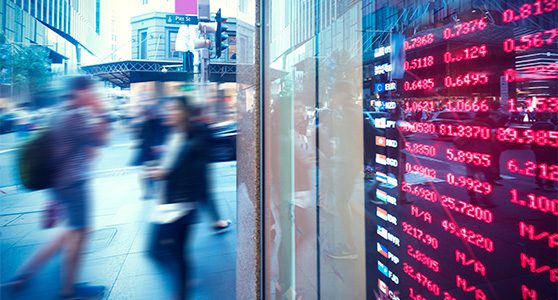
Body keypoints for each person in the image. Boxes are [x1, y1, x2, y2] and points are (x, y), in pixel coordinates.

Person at [3, 76, 109, 299]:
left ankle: (24, 274)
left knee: (70, 232)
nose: (94, 95)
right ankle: (68, 289)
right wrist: (101, 112)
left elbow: (63, 150)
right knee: (78, 233)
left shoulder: (58, 113)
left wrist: (52, 200)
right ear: (80, 92)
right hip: (74, 183)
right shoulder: (75, 117)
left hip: (60, 184)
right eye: (92, 91)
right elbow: (101, 140)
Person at [146, 96, 211, 300]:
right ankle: (182, 283)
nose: (168, 113)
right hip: (168, 202)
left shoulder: (191, 137)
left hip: (179, 205)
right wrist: (158, 169)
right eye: (167, 109)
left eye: (173, 109)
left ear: (184, 112)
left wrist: (157, 172)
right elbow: (169, 165)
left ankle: (182, 287)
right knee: (167, 252)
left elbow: (186, 171)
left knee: (165, 251)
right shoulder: (175, 134)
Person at [131, 102, 168, 199]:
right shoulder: (149, 123)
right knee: (147, 173)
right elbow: (141, 137)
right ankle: (149, 192)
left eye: (149, 113)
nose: (148, 115)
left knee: (152, 172)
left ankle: (152, 192)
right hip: (149, 153)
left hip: (156, 152)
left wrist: (159, 146)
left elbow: (163, 136)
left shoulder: (159, 122)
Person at [531, 112, 557, 191]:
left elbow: (531, 137)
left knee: (539, 165)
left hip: (538, 148)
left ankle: (539, 183)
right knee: (550, 166)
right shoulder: (551, 126)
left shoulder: (535, 125)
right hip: (549, 148)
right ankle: (549, 184)